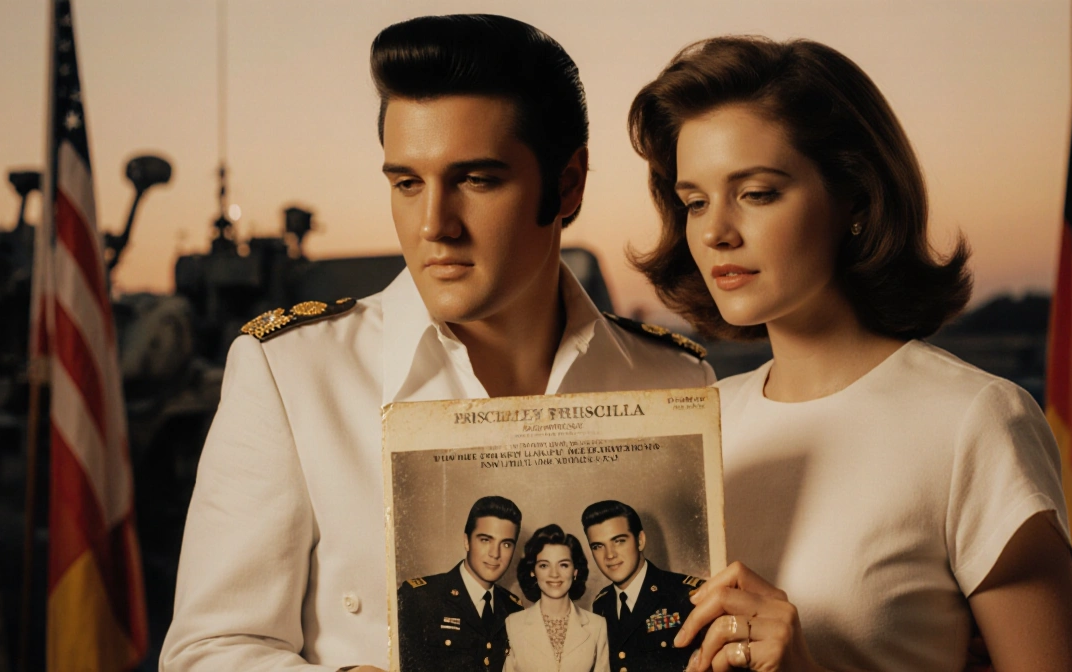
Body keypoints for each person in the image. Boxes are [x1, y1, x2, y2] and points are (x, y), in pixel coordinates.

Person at [159, 14, 714, 672]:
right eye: (407, 183)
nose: (433, 225)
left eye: (477, 180)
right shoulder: (293, 374)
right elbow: (207, 652)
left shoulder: (676, 381)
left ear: (567, 184)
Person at [626, 36, 1072, 672]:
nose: (715, 232)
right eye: (695, 202)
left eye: (757, 193)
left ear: (855, 197)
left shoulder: (973, 422)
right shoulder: (699, 422)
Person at [396, 496, 524, 672]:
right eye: (485, 540)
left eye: (506, 544)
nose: (495, 554)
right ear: (466, 541)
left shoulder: (513, 609)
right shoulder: (420, 598)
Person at [580, 500, 703, 672]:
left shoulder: (687, 593)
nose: (609, 555)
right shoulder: (601, 603)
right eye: (598, 546)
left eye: (619, 541)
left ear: (640, 541)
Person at [503, 524, 608, 672]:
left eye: (563, 565)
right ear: (533, 571)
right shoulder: (513, 624)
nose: (554, 574)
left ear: (575, 571)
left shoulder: (597, 625)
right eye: (544, 565)